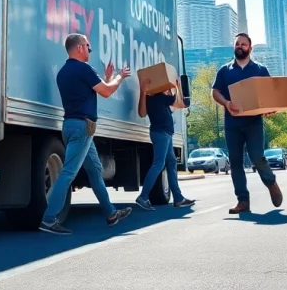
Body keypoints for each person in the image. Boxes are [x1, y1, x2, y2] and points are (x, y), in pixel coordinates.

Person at [40, 33, 133, 235]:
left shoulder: (64, 72)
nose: (90, 50)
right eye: (89, 47)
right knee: (68, 173)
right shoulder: (84, 69)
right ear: (80, 47)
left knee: (95, 171)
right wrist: (119, 77)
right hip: (83, 127)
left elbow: (91, 91)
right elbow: (107, 92)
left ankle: (110, 214)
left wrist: (107, 78)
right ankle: (48, 219)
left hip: (71, 126)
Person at [212, 33, 283, 214]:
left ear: (250, 49)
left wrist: (270, 108)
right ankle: (242, 201)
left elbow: (270, 94)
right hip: (232, 124)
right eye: (237, 44)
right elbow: (215, 92)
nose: (240, 46)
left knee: (257, 157)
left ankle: (271, 182)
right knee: (235, 162)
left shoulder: (260, 70)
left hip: (253, 123)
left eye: (244, 44)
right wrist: (226, 103)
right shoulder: (224, 71)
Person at [134, 78, 196, 211]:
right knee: (159, 164)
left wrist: (143, 93)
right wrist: (178, 88)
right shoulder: (160, 97)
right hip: (161, 134)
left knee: (171, 162)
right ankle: (143, 197)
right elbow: (181, 104)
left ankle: (178, 199)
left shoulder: (153, 98)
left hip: (165, 134)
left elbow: (142, 113)